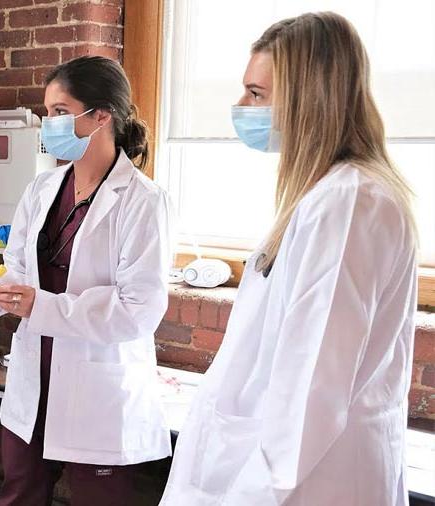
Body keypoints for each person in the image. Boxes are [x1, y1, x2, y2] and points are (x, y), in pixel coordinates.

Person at [160, 12, 418, 506]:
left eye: (257, 94)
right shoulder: (326, 196)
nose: (240, 106)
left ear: (310, 97)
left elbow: (311, 388)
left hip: (304, 483)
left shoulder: (349, 202)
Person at [0, 56, 173, 505]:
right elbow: (15, 267)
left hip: (97, 387)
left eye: (60, 112)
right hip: (34, 376)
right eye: (47, 113)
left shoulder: (142, 201)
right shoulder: (41, 189)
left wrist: (40, 305)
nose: (48, 124)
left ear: (102, 115)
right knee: (19, 494)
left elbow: (140, 310)